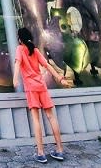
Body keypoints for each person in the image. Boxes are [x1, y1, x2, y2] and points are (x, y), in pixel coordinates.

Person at [13, 27, 69, 164]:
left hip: (31, 89)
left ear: (20, 39)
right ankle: (60, 150)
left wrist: (15, 79)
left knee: (36, 120)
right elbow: (48, 66)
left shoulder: (20, 49)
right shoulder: (36, 51)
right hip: (42, 87)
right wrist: (60, 78)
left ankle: (40, 153)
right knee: (51, 117)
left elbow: (17, 63)